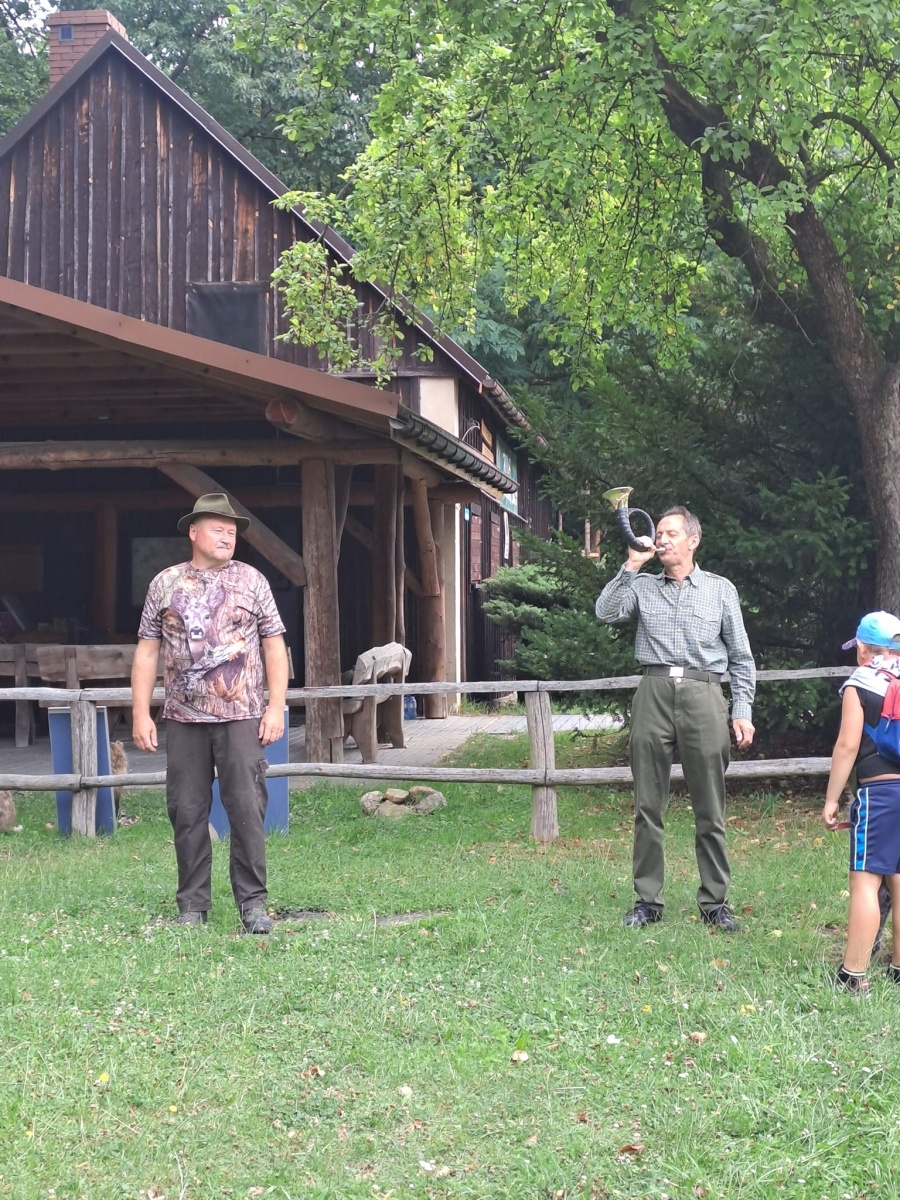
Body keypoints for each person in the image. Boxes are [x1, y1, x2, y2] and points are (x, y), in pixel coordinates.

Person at [132, 493, 289, 933]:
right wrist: (142, 712)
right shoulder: (165, 583)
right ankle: (192, 908)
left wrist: (276, 706)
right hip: (182, 718)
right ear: (194, 532)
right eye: (218, 529)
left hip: (242, 715)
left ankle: (253, 905)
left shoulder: (253, 581)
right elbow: (147, 651)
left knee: (247, 810)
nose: (227, 536)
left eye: (233, 531)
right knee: (186, 811)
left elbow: (275, 645)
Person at [595, 506, 756, 931]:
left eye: (670, 534)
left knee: (711, 807)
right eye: (659, 534)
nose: (662, 540)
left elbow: (741, 657)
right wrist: (632, 563)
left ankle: (715, 902)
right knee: (648, 805)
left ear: (692, 540)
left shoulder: (720, 590)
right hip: (653, 692)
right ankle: (648, 901)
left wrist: (741, 709)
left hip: (705, 695)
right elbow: (605, 612)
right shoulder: (643, 586)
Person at [822, 611, 900, 994]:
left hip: (880, 792)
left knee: (866, 882)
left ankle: (853, 975)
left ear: (864, 649)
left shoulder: (861, 682)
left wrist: (832, 799)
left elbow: (848, 745)